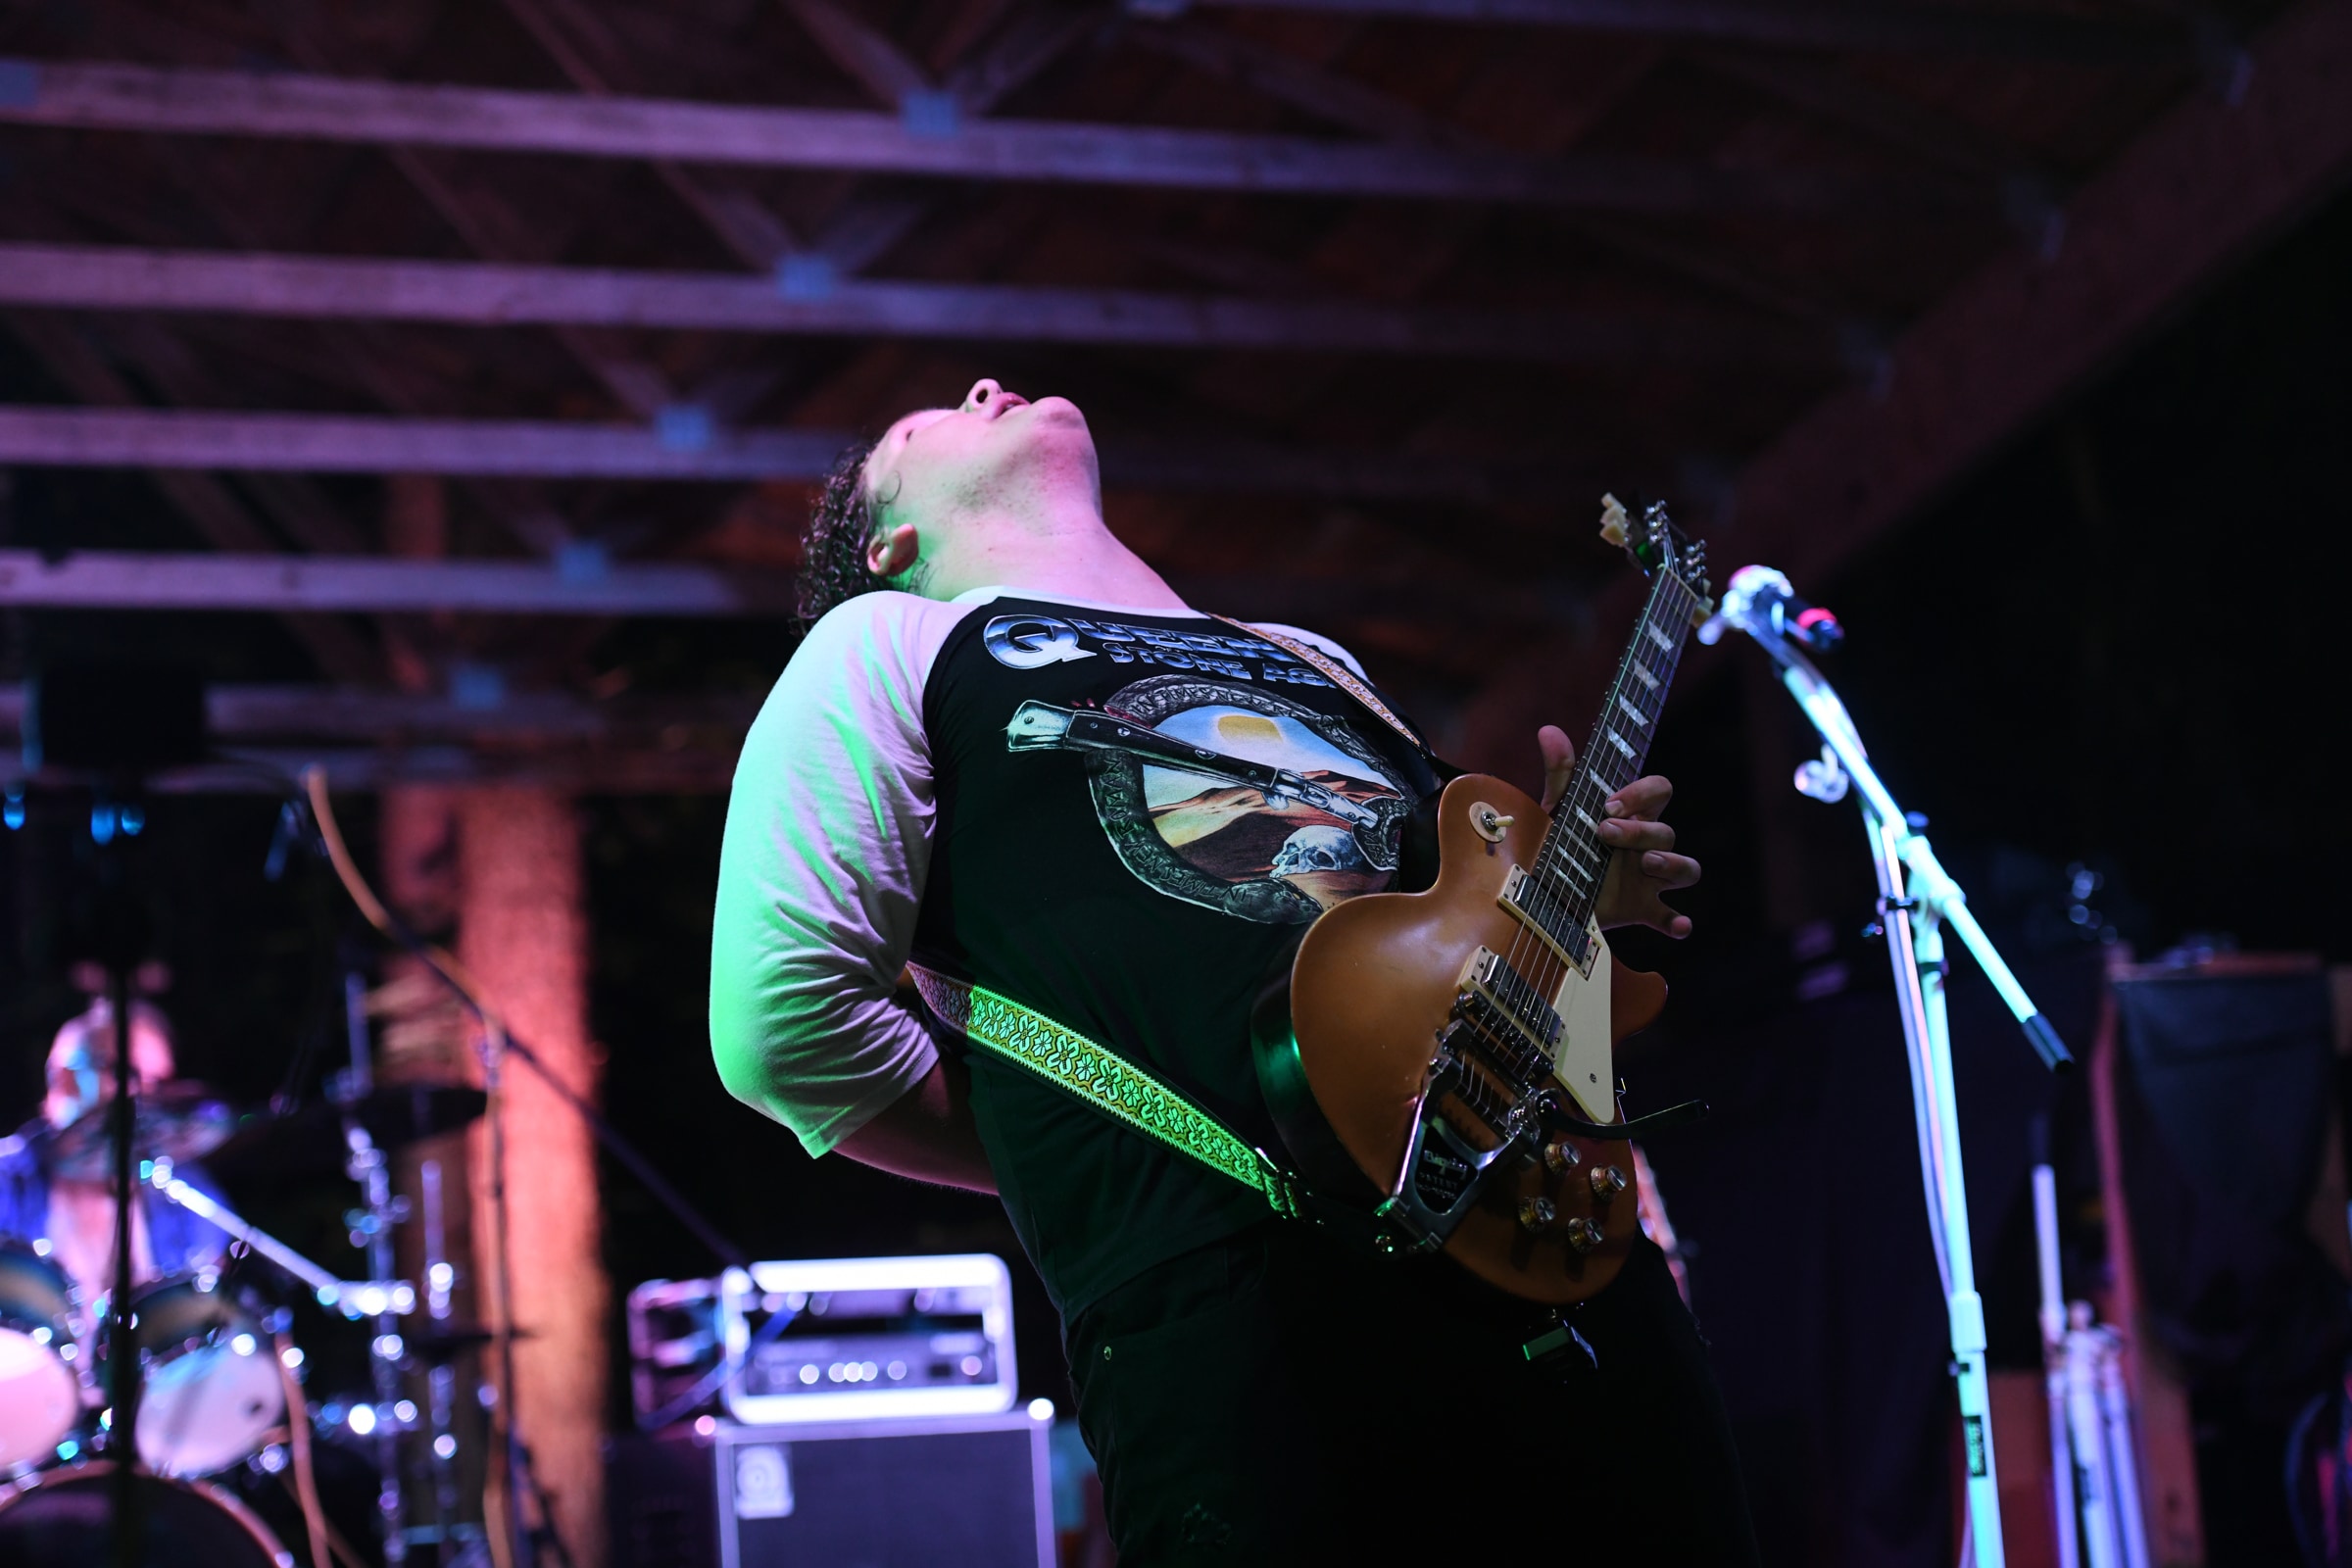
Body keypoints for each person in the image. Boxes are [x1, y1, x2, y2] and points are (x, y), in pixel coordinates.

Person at [710, 378, 1757, 1562]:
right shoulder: (890, 641)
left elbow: (1445, 940)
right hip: (1247, 1309)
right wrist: (1081, 1143)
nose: (986, 386)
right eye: (925, 422)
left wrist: (1572, 911)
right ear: (888, 544)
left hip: (1560, 1258)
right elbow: (785, 1026)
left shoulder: (1312, 659)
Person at [0, 998, 230, 1328]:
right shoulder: (7, 1180)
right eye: (127, 1073)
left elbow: (210, 1323)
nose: (145, 1097)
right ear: (64, 1077)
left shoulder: (186, 1193)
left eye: (159, 1083)